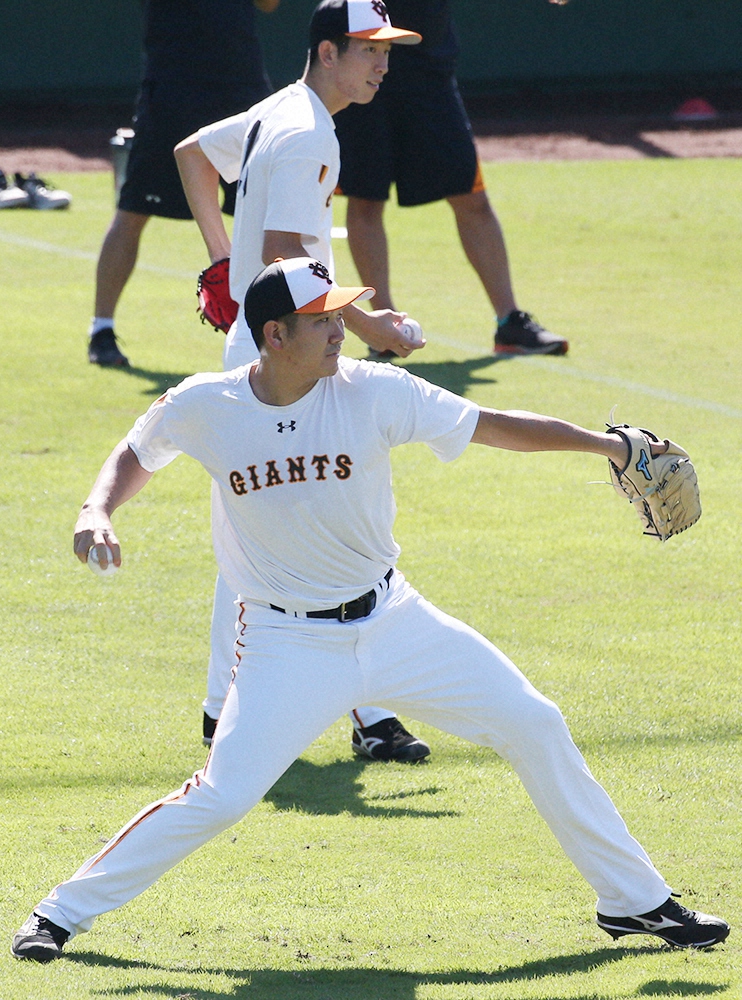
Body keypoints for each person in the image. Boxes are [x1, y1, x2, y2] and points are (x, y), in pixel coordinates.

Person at [11, 257, 729, 963]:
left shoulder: (373, 392)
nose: (339, 331)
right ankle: (60, 912)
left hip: (395, 623)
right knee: (222, 796)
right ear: (273, 336)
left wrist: (603, 444)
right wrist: (95, 509)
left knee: (533, 722)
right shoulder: (209, 404)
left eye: (339, 315)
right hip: (283, 643)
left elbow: (493, 423)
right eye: (322, 320)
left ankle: (632, 902)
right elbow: (139, 449)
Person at [174, 0, 430, 761]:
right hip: (287, 353)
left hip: (269, 346)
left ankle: (234, 713)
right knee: (338, 525)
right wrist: (373, 322)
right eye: (367, 50)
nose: (382, 63)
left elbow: (191, 152)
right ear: (326, 51)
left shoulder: (280, 111)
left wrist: (225, 259)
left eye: (388, 50)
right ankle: (363, 715)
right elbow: (289, 261)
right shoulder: (305, 130)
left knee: (271, 532)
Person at [334, 0, 569, 358]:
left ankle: (509, 322)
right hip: (361, 57)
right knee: (365, 199)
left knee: (471, 197)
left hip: (429, 63)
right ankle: (383, 328)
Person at [87, 0, 280, 368]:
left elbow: (268, 4)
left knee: (265, 212)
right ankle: (101, 329)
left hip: (241, 83)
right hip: (173, 86)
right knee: (133, 210)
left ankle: (274, 329)